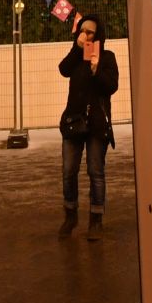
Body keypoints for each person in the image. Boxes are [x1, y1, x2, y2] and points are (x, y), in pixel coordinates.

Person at [58, 12, 119, 241]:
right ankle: (70, 215)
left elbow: (112, 86)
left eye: (90, 32)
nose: (85, 35)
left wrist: (96, 71)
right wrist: (76, 49)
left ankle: (96, 220)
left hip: (96, 124)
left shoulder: (108, 57)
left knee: (96, 172)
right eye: (82, 30)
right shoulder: (76, 57)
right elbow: (63, 69)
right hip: (73, 121)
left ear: (98, 34)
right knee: (68, 171)